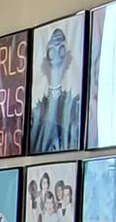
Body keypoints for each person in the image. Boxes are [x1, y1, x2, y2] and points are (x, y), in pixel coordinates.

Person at [30, 25, 82, 153]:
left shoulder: (73, 107)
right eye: (52, 50)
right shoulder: (37, 111)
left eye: (60, 48)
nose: (56, 46)